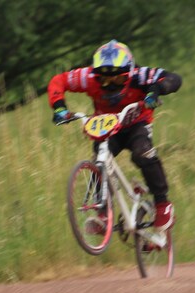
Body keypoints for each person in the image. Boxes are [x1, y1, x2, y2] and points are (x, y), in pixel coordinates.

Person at [47, 39, 182, 233]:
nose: (109, 84)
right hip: (107, 126)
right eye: (103, 80)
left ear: (128, 73)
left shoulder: (140, 75)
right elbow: (58, 80)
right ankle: (102, 212)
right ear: (96, 75)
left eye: (117, 79)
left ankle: (162, 204)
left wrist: (155, 91)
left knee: (142, 153)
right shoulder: (87, 77)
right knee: (99, 162)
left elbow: (173, 78)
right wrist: (59, 107)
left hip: (137, 124)